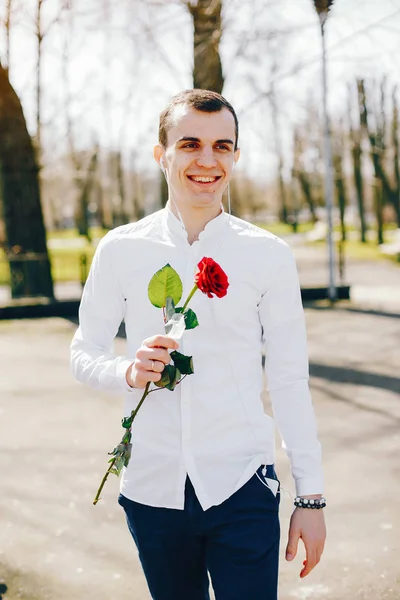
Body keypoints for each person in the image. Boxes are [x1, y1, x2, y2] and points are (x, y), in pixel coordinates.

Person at [70, 89, 326, 600]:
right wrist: (126, 371)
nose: (207, 160)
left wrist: (311, 498)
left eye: (222, 146)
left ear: (235, 155)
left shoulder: (268, 255)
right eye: (190, 144)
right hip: (150, 488)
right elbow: (84, 352)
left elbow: (289, 378)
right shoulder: (120, 248)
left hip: (243, 487)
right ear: (161, 153)